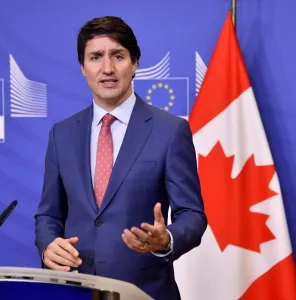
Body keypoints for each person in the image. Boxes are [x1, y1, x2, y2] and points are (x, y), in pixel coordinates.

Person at [34, 16, 207, 300]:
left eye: (118, 56)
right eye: (95, 57)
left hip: (145, 292)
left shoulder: (170, 131)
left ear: (135, 62)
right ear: (82, 67)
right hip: (74, 290)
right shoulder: (61, 134)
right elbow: (49, 214)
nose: (107, 69)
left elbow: (192, 214)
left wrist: (166, 240)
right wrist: (48, 245)